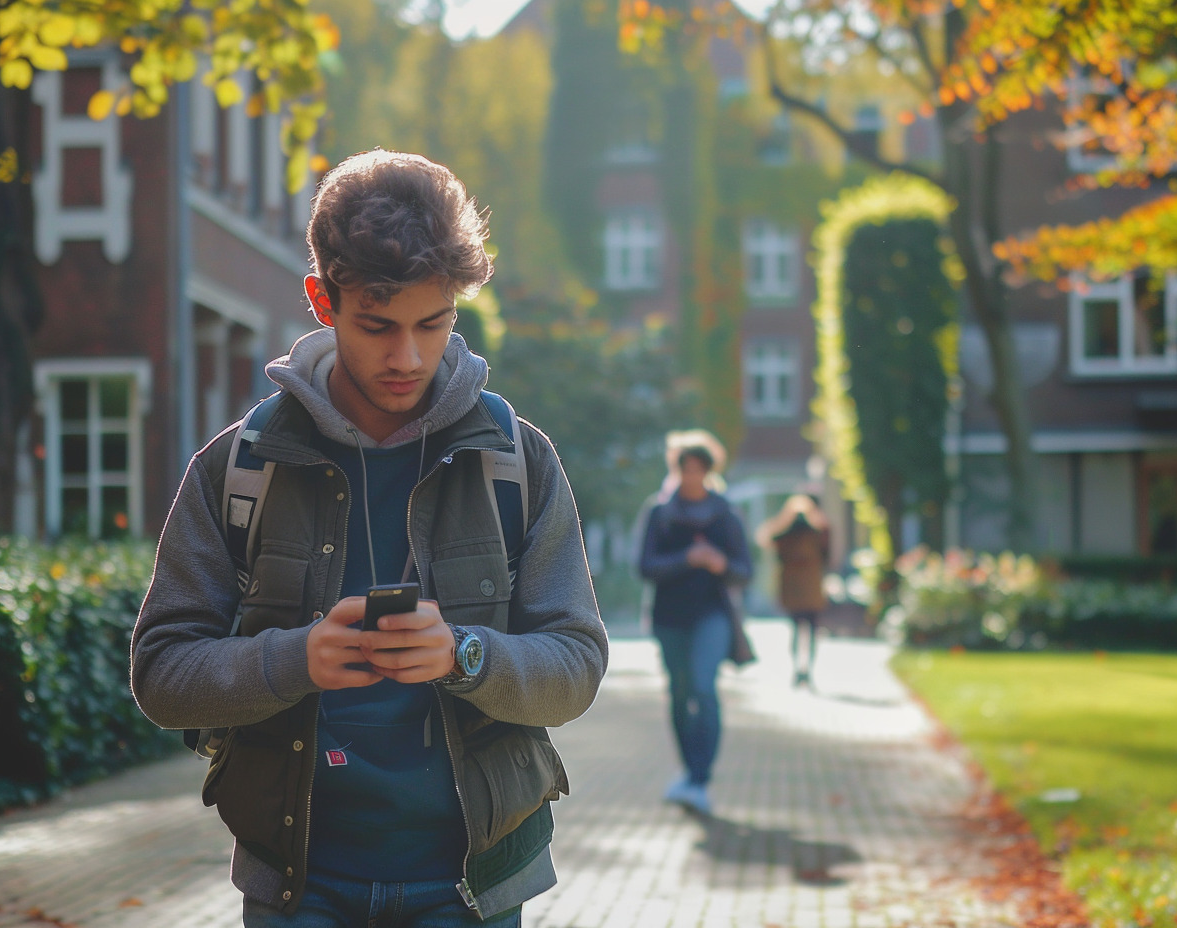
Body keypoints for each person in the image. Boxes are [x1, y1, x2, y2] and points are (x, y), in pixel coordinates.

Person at [131, 149, 609, 927]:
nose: (408, 357)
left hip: (472, 886)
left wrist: (466, 654)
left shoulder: (517, 459)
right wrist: (295, 659)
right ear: (323, 299)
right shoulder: (238, 466)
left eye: (434, 322)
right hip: (298, 886)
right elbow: (160, 673)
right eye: (378, 326)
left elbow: (578, 665)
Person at [637, 429, 752, 816]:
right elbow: (645, 566)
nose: (692, 477)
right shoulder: (660, 512)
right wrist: (690, 557)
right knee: (679, 692)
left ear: (708, 471)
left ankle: (701, 779)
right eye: (686, 470)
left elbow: (744, 570)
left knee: (704, 688)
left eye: (699, 470)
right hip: (669, 617)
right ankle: (688, 773)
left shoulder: (725, 513)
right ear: (677, 470)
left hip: (713, 616)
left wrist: (719, 564)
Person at [756, 494, 831, 689]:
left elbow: (768, 540)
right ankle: (806, 671)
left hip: (796, 589)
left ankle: (801, 670)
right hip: (809, 589)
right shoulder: (817, 533)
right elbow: (827, 557)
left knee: (797, 631)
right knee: (809, 631)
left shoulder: (787, 534)